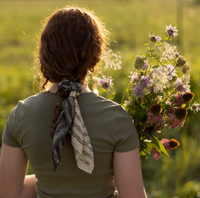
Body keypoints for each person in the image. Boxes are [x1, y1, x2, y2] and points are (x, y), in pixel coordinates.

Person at [0, 6, 147, 198]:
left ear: (44, 55)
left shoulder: (21, 114)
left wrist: (48, 179)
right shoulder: (116, 118)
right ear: (95, 57)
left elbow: (8, 193)